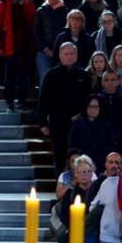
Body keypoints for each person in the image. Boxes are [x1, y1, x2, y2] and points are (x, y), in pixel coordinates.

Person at [39, 42, 92, 171]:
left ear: (76, 55)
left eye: (72, 53)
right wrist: (43, 123)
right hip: (58, 123)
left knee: (80, 157)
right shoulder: (51, 75)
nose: (69, 56)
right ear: (60, 55)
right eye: (66, 54)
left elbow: (89, 99)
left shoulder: (83, 75)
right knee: (60, 156)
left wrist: (83, 116)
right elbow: (43, 100)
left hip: (79, 123)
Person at [0, 0, 37, 111]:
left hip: (26, 44)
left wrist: (27, 5)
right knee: (10, 75)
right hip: (10, 44)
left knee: (24, 76)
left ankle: (21, 101)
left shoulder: (29, 2)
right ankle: (9, 102)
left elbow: (32, 20)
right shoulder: (4, 3)